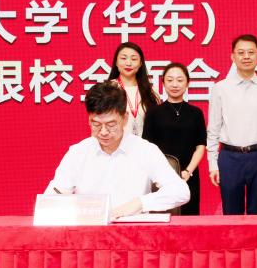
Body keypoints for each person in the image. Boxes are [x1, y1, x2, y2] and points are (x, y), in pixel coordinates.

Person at [44, 81, 189, 219]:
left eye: (111, 124)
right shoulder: (78, 152)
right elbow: (52, 198)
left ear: (125, 118)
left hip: (132, 232)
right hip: (90, 230)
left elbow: (180, 191)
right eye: (96, 124)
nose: (103, 132)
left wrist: (139, 203)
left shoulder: (145, 150)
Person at [206, 34, 257, 215]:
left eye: (251, 52)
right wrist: (212, 163)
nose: (246, 57)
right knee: (231, 216)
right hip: (229, 158)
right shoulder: (220, 88)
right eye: (241, 53)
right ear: (232, 56)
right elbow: (213, 129)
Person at [142, 62, 207, 215]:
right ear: (163, 83)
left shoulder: (196, 113)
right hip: (161, 177)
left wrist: (188, 171)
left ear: (187, 83)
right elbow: (147, 147)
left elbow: (200, 146)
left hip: (188, 175)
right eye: (170, 80)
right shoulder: (153, 113)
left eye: (180, 80)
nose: (175, 84)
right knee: (163, 217)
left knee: (189, 218)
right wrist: (159, 174)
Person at [107, 42, 160, 137]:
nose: (128, 63)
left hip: (144, 144)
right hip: (115, 143)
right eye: (123, 58)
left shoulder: (151, 91)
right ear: (116, 62)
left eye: (134, 59)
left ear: (140, 64)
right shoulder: (107, 88)